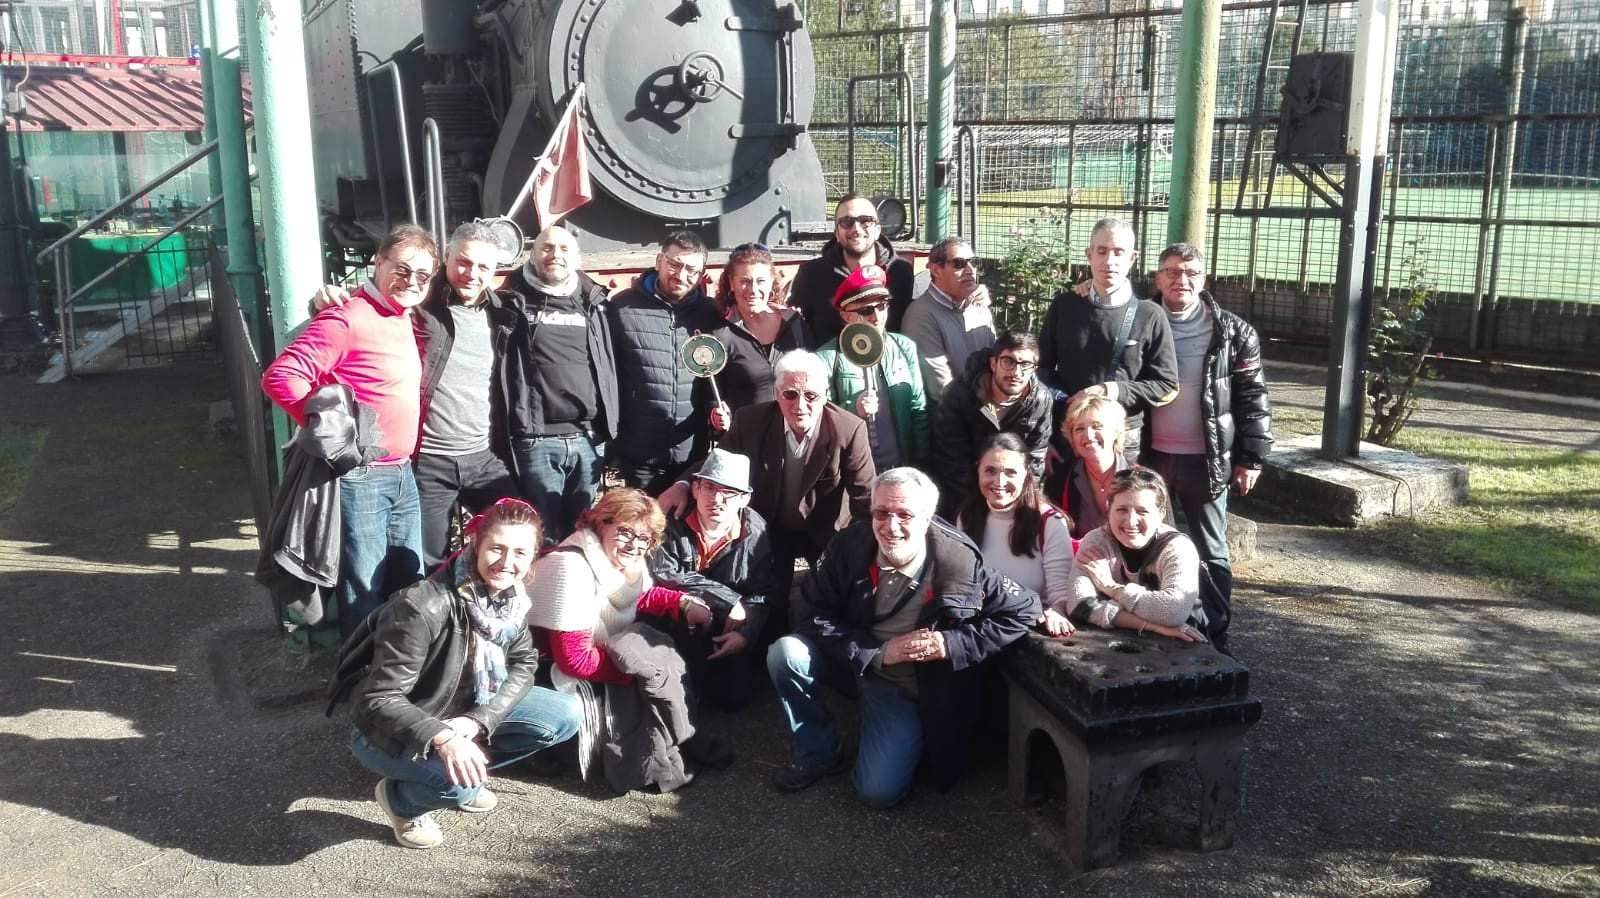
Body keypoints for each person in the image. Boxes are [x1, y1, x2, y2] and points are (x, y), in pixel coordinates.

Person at [767, 467, 1040, 808]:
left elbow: (1025, 607)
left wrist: (950, 644)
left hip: (902, 687)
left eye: (905, 515)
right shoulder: (848, 547)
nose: (890, 526)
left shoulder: (959, 563)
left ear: (927, 518)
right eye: (881, 513)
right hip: (851, 661)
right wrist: (876, 653)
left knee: (878, 793)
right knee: (785, 653)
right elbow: (808, 611)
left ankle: (885, 731)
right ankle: (819, 751)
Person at [349, 498, 582, 850]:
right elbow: (379, 699)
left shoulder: (511, 599)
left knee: (566, 714)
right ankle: (401, 801)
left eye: (520, 553)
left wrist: (479, 721)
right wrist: (445, 739)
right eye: (497, 549)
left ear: (534, 556)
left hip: (465, 708)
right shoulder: (422, 606)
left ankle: (463, 770)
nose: (507, 564)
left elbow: (524, 663)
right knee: (459, 785)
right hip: (391, 729)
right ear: (476, 545)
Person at [262, 224, 433, 637]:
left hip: (401, 472)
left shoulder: (402, 316)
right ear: (378, 262)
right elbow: (280, 376)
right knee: (364, 588)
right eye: (402, 268)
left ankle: (397, 669)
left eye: (423, 275)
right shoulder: (348, 318)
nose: (411, 281)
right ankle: (361, 678)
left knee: (406, 581)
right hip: (361, 476)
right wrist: (332, 432)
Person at [657, 350, 876, 638]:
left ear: (825, 394)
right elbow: (717, 463)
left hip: (826, 528)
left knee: (836, 597)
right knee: (771, 605)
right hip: (770, 528)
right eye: (790, 395)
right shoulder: (751, 421)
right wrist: (682, 485)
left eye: (811, 395)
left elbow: (865, 498)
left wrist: (865, 551)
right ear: (776, 393)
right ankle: (765, 658)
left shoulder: (849, 429)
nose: (800, 405)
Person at [525, 488, 717, 793]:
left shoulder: (627, 565)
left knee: (655, 653)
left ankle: (674, 746)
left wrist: (682, 603)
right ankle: (537, 742)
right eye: (625, 532)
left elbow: (639, 596)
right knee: (649, 666)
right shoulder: (570, 566)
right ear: (601, 523)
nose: (635, 544)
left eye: (645, 538)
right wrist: (638, 675)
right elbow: (573, 659)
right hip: (542, 672)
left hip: (590, 654)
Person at [1144, 243, 1273, 623]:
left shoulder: (1234, 332)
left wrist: (1251, 458)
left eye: (1191, 273)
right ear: (1158, 278)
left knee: (1211, 550)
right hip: (1150, 459)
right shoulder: (1138, 321)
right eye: (1172, 272)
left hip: (1206, 460)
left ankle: (1216, 630)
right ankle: (1159, 623)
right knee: (1151, 545)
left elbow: (1253, 396)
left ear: (1204, 280)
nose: (1181, 280)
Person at [497, 226, 619, 542]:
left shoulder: (594, 302)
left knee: (582, 534)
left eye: (564, 249)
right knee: (539, 535)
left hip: (588, 437)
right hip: (537, 439)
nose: (556, 255)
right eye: (547, 248)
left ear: (577, 258)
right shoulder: (509, 302)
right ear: (533, 254)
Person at [1037, 216, 1178, 463]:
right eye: (1101, 251)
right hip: (1066, 434)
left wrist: (1110, 390)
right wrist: (1044, 437)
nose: (1109, 261)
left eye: (1118, 252)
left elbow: (1166, 384)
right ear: (1089, 254)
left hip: (1121, 438)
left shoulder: (1150, 314)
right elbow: (1041, 371)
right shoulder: (1065, 306)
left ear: (1132, 258)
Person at [649, 448, 779, 712]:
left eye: (729, 493)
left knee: (733, 699)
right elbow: (667, 574)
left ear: (745, 499)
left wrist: (745, 633)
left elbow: (761, 591)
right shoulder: (670, 521)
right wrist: (729, 599)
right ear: (695, 489)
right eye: (709, 487)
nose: (717, 499)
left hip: (728, 622)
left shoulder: (756, 531)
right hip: (677, 615)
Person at [607, 231, 728, 495]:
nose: (681, 275)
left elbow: (716, 378)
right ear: (659, 260)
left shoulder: (710, 314)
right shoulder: (622, 308)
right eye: (675, 264)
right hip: (640, 451)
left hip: (690, 450)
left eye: (691, 270)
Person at [1056, 468, 1209, 643]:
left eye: (1142, 511)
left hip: (1183, 639)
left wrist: (1110, 588)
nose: (1130, 521)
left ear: (1161, 514)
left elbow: (1173, 611)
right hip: (1116, 641)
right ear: (1109, 509)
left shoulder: (1178, 547)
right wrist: (1153, 625)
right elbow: (1079, 605)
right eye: (1121, 509)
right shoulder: (1096, 542)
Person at [956, 433, 1078, 638]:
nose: (999, 481)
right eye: (990, 471)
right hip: (980, 626)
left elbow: (1061, 594)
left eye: (1010, 472)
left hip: (1028, 629)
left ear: (1026, 474)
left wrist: (1056, 611)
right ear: (978, 471)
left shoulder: (1049, 522)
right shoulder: (967, 517)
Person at [815, 265, 928, 471]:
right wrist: (853, 410)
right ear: (846, 315)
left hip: (899, 469)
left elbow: (918, 410)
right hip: (854, 472)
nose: (877, 316)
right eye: (866, 310)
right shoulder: (826, 358)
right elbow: (821, 421)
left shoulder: (904, 347)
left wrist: (919, 465)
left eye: (882, 306)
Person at [928, 330, 1053, 516]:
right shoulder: (958, 395)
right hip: (966, 496)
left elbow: (1034, 460)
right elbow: (952, 461)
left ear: (1034, 368)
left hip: (1013, 494)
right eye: (1008, 361)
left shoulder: (1040, 400)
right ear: (994, 363)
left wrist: (1026, 507)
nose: (1016, 372)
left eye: (1025, 364)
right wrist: (984, 508)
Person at [788, 193, 916, 346]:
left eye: (865, 221)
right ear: (836, 233)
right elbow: (796, 327)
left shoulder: (901, 272)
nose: (856, 229)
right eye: (846, 222)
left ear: (877, 230)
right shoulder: (811, 274)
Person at [709, 242, 811, 418]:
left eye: (761, 281)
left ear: (771, 280)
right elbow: (710, 393)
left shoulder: (794, 323)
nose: (753, 290)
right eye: (745, 281)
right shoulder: (720, 334)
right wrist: (716, 415)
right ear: (732, 283)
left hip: (794, 435)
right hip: (747, 438)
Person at [899, 236, 995, 404]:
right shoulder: (921, 315)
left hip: (986, 410)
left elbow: (997, 362)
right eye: (959, 263)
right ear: (936, 270)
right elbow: (941, 389)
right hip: (951, 421)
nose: (970, 270)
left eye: (973, 262)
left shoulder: (979, 306)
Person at [1043, 395, 1132, 540]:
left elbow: (1165, 539)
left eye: (1097, 426)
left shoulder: (1142, 481)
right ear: (1071, 437)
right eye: (1079, 429)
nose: (1089, 436)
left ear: (1116, 432)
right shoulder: (1061, 480)